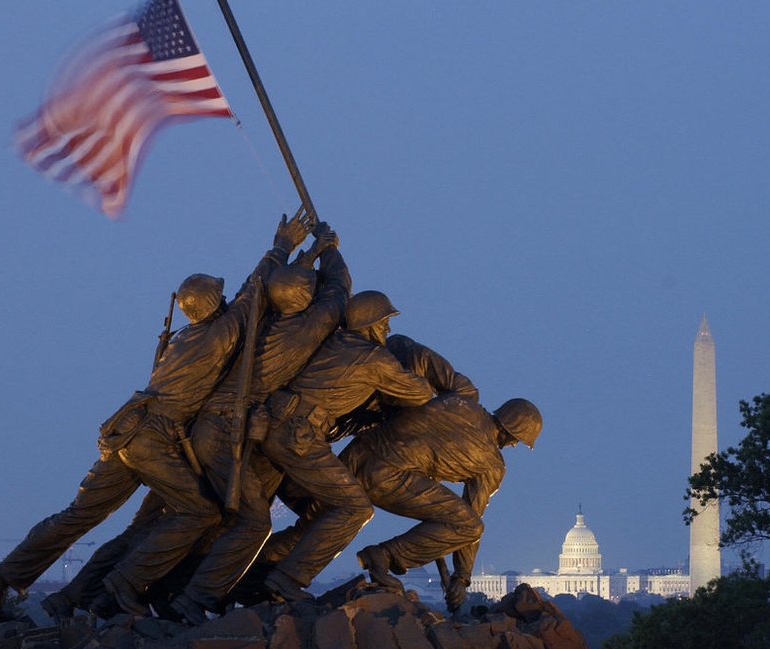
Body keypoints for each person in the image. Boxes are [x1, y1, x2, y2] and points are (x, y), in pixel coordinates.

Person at [0, 214, 310, 620]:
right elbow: (252, 294)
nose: (224, 299)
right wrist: (280, 246)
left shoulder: (184, 337)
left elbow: (242, 297)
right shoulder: (218, 336)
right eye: (219, 297)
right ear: (214, 305)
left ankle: (2, 578)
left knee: (77, 516)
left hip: (126, 431)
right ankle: (127, 582)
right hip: (154, 437)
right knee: (199, 512)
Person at [167, 221, 351, 622]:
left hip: (214, 428)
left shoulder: (252, 320)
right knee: (253, 523)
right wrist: (330, 250)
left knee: (229, 517)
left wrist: (293, 251)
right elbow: (338, 292)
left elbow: (259, 286)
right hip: (224, 431)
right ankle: (193, 598)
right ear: (306, 299)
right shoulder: (306, 329)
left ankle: (194, 591)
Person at [258, 291, 435, 601]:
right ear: (368, 324)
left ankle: (255, 575)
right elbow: (420, 394)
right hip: (299, 436)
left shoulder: (334, 343)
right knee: (355, 508)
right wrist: (411, 363)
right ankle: (287, 578)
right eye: (384, 324)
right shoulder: (373, 358)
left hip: (279, 427)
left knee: (321, 512)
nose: (387, 331)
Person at [347, 394, 541, 612]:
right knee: (469, 525)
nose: (514, 445)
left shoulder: (461, 403)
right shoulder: (491, 463)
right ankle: (382, 556)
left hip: (357, 452)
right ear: (509, 431)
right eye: (517, 439)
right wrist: (461, 578)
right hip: (385, 475)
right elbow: (470, 519)